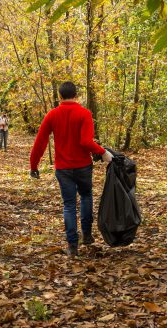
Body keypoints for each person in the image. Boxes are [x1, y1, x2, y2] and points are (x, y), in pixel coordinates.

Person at [29, 81, 113, 257]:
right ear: (76, 95)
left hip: (63, 168)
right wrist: (103, 152)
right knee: (86, 197)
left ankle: (72, 246)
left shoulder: (52, 115)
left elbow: (40, 142)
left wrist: (34, 165)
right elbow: (85, 141)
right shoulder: (84, 114)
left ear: (60, 97)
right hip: (83, 166)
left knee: (68, 205)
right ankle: (87, 235)